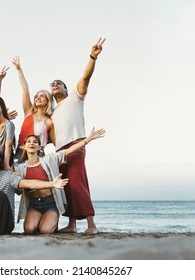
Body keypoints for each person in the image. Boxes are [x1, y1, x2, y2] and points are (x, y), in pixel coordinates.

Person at [50, 37, 106, 235]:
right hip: (59, 152)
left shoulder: (75, 97)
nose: (55, 85)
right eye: (52, 84)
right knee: (66, 187)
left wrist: (92, 57)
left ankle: (91, 225)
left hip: (76, 145)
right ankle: (72, 225)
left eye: (59, 83)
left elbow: (85, 78)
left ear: (66, 89)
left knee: (78, 183)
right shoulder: (53, 112)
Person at [15, 127, 105, 235]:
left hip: (50, 203)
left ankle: (51, 220)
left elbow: (68, 151)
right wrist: (17, 181)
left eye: (35, 142)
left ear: (39, 147)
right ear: (24, 146)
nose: (32, 143)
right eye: (28, 142)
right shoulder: (20, 168)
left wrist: (88, 139)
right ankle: (42, 220)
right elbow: (19, 192)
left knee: (45, 231)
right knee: (29, 230)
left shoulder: (49, 160)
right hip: (34, 205)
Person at [11, 56, 55, 164]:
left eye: (42, 96)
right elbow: (25, 89)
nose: (37, 98)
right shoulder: (29, 112)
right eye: (36, 96)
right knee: (17, 179)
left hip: (38, 155)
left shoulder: (49, 122)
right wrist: (19, 69)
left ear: (48, 100)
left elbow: (56, 142)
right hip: (20, 153)